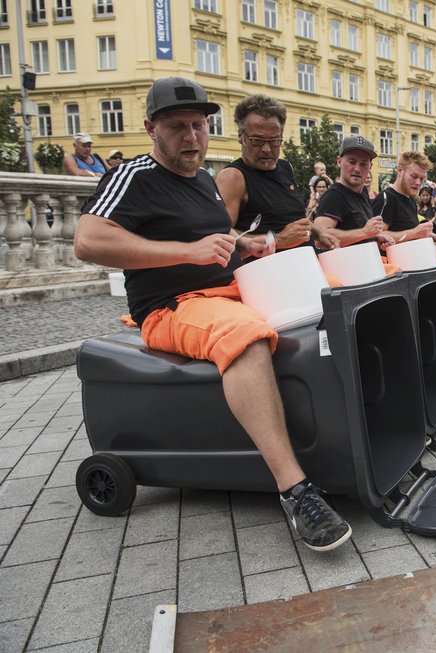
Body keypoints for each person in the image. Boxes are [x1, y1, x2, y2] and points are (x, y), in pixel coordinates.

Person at [72, 77, 352, 552]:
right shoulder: (134, 175)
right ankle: (296, 490)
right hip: (171, 306)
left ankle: (350, 442)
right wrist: (186, 250)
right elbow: (87, 242)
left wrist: (261, 244)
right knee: (245, 337)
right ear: (150, 129)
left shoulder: (202, 179)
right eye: (177, 127)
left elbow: (225, 243)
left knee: (338, 302)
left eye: (199, 126)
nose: (192, 137)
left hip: (231, 288)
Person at [216, 94, 334, 255]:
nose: (266, 149)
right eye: (257, 140)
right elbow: (221, 237)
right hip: (267, 274)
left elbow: (291, 218)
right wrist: (277, 240)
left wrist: (318, 230)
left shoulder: (286, 167)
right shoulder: (232, 177)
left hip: (306, 268)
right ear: (240, 136)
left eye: (274, 141)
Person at [313, 136, 392, 249]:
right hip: (343, 265)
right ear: (339, 161)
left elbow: (358, 232)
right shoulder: (334, 195)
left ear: (371, 166)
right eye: (352, 162)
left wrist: (374, 237)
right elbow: (320, 238)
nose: (357, 169)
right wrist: (364, 233)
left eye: (363, 164)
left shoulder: (363, 192)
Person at [372, 151, 436, 245]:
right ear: (400, 170)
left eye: (422, 179)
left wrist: (428, 236)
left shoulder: (411, 200)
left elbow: (407, 232)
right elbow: (376, 237)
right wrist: (415, 233)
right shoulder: (386, 198)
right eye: (414, 176)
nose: (418, 182)